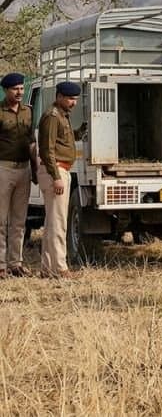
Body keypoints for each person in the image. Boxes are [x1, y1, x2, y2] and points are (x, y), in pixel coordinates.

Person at [37, 81, 87, 278]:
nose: (73, 102)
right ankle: (60, 268)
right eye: (70, 98)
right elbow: (47, 150)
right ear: (59, 97)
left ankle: (48, 268)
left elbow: (61, 140)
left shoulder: (62, 116)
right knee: (59, 223)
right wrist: (56, 177)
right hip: (55, 171)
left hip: (59, 170)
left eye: (75, 99)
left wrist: (80, 131)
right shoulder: (52, 116)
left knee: (52, 222)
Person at [0, 73, 37, 279]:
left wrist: (35, 169)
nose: (19, 92)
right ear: (6, 90)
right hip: (3, 169)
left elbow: (31, 142)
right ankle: (1, 265)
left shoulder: (28, 112)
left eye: (21, 88)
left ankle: (16, 263)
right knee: (1, 220)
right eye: (15, 89)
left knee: (19, 220)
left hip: (23, 169)